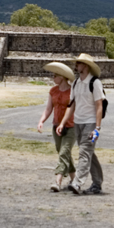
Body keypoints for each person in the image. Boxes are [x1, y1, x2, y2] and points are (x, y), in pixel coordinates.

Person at [59, 53, 105, 195]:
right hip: (78, 123)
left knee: (84, 153)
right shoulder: (76, 83)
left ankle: (77, 183)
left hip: (90, 123)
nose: (76, 65)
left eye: (79, 63)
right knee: (89, 153)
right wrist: (63, 122)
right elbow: (71, 105)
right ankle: (97, 183)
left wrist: (97, 128)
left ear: (85, 66)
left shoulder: (95, 83)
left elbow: (99, 106)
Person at [36, 62, 76, 192]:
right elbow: (48, 109)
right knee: (63, 152)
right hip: (56, 126)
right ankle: (74, 179)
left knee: (64, 152)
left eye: (55, 76)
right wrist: (41, 121)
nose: (53, 78)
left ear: (62, 77)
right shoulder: (53, 91)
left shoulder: (72, 91)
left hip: (71, 126)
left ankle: (57, 181)